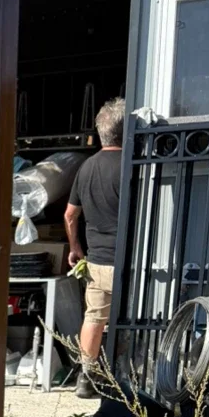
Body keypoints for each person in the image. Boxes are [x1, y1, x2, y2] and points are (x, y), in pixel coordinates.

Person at [65, 97, 125, 399]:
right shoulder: (131, 167)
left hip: (97, 261)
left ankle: (86, 378)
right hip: (128, 261)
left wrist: (75, 248)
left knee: (94, 318)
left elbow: (69, 214)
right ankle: (127, 378)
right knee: (131, 320)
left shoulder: (86, 167)